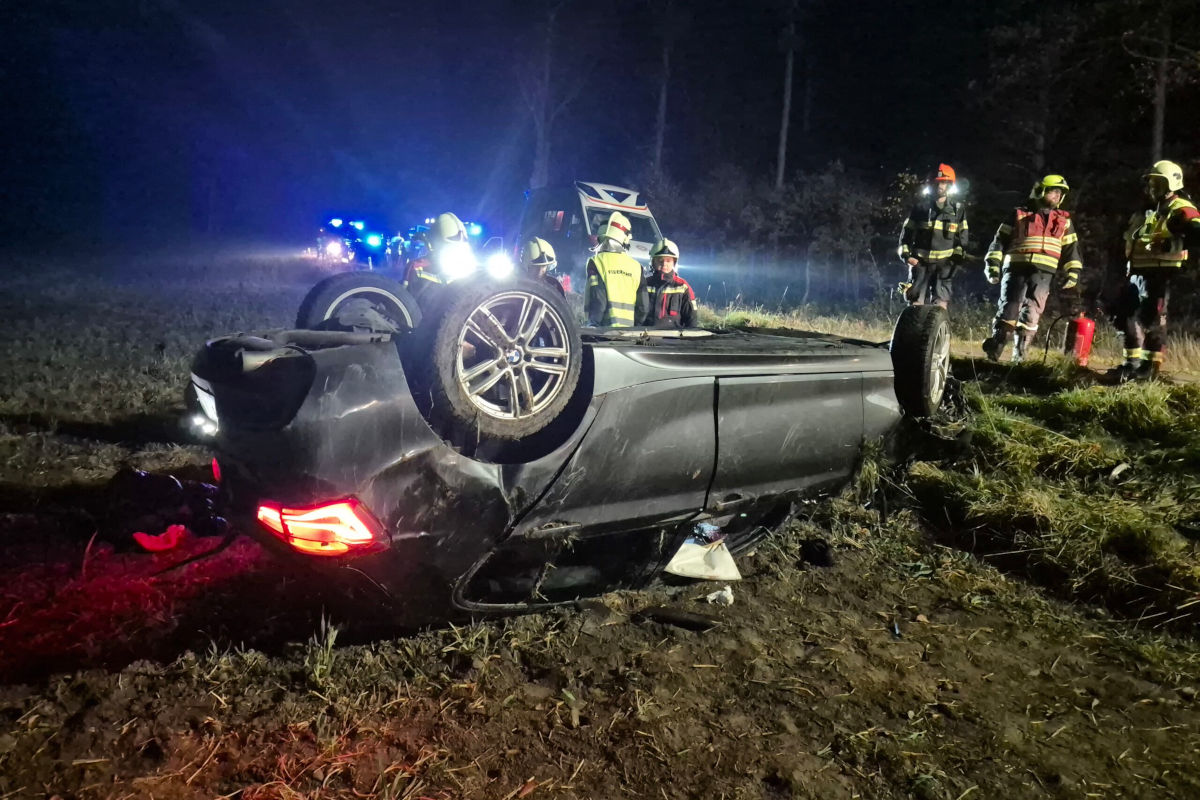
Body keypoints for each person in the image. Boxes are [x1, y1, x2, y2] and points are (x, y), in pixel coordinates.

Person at [1111, 160, 1200, 381]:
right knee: (1123, 315)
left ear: (1171, 183)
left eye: (1158, 183)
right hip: (1138, 271)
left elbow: (1196, 228)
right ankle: (1131, 364)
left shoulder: (1181, 207)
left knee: (1152, 319)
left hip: (1162, 273)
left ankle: (1149, 369)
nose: (1152, 188)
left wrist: (1184, 233)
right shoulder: (1147, 211)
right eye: (1151, 183)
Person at [981, 175, 1083, 363]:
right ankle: (996, 347)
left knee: (1032, 313)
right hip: (1016, 268)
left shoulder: (1064, 221)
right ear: (1041, 191)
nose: (1056, 196)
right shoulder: (1019, 214)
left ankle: (1019, 356)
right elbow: (999, 242)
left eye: (1059, 193)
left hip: (1044, 273)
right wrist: (993, 265)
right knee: (1009, 309)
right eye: (1053, 191)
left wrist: (1073, 272)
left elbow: (1072, 250)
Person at [897, 164, 969, 308]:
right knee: (915, 306)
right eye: (937, 182)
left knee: (940, 308)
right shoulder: (920, 208)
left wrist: (954, 261)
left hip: (943, 266)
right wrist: (907, 257)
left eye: (943, 182)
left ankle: (937, 329)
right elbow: (905, 236)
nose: (940, 186)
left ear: (950, 185)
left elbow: (963, 240)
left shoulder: (958, 210)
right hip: (920, 264)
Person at [584, 211, 649, 327]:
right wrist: (635, 328)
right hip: (629, 335)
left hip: (604, 332)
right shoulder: (636, 267)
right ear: (624, 238)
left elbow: (598, 299)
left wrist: (593, 326)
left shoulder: (597, 262)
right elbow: (643, 307)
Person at [404, 212, 475, 290]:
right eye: (448, 246)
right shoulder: (417, 267)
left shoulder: (472, 267)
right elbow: (403, 299)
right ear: (436, 244)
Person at [643, 238, 697, 328]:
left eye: (668, 260)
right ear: (653, 262)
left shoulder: (682, 286)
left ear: (674, 263)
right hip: (647, 337)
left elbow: (691, 319)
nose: (664, 264)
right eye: (660, 260)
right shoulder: (645, 284)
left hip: (673, 339)